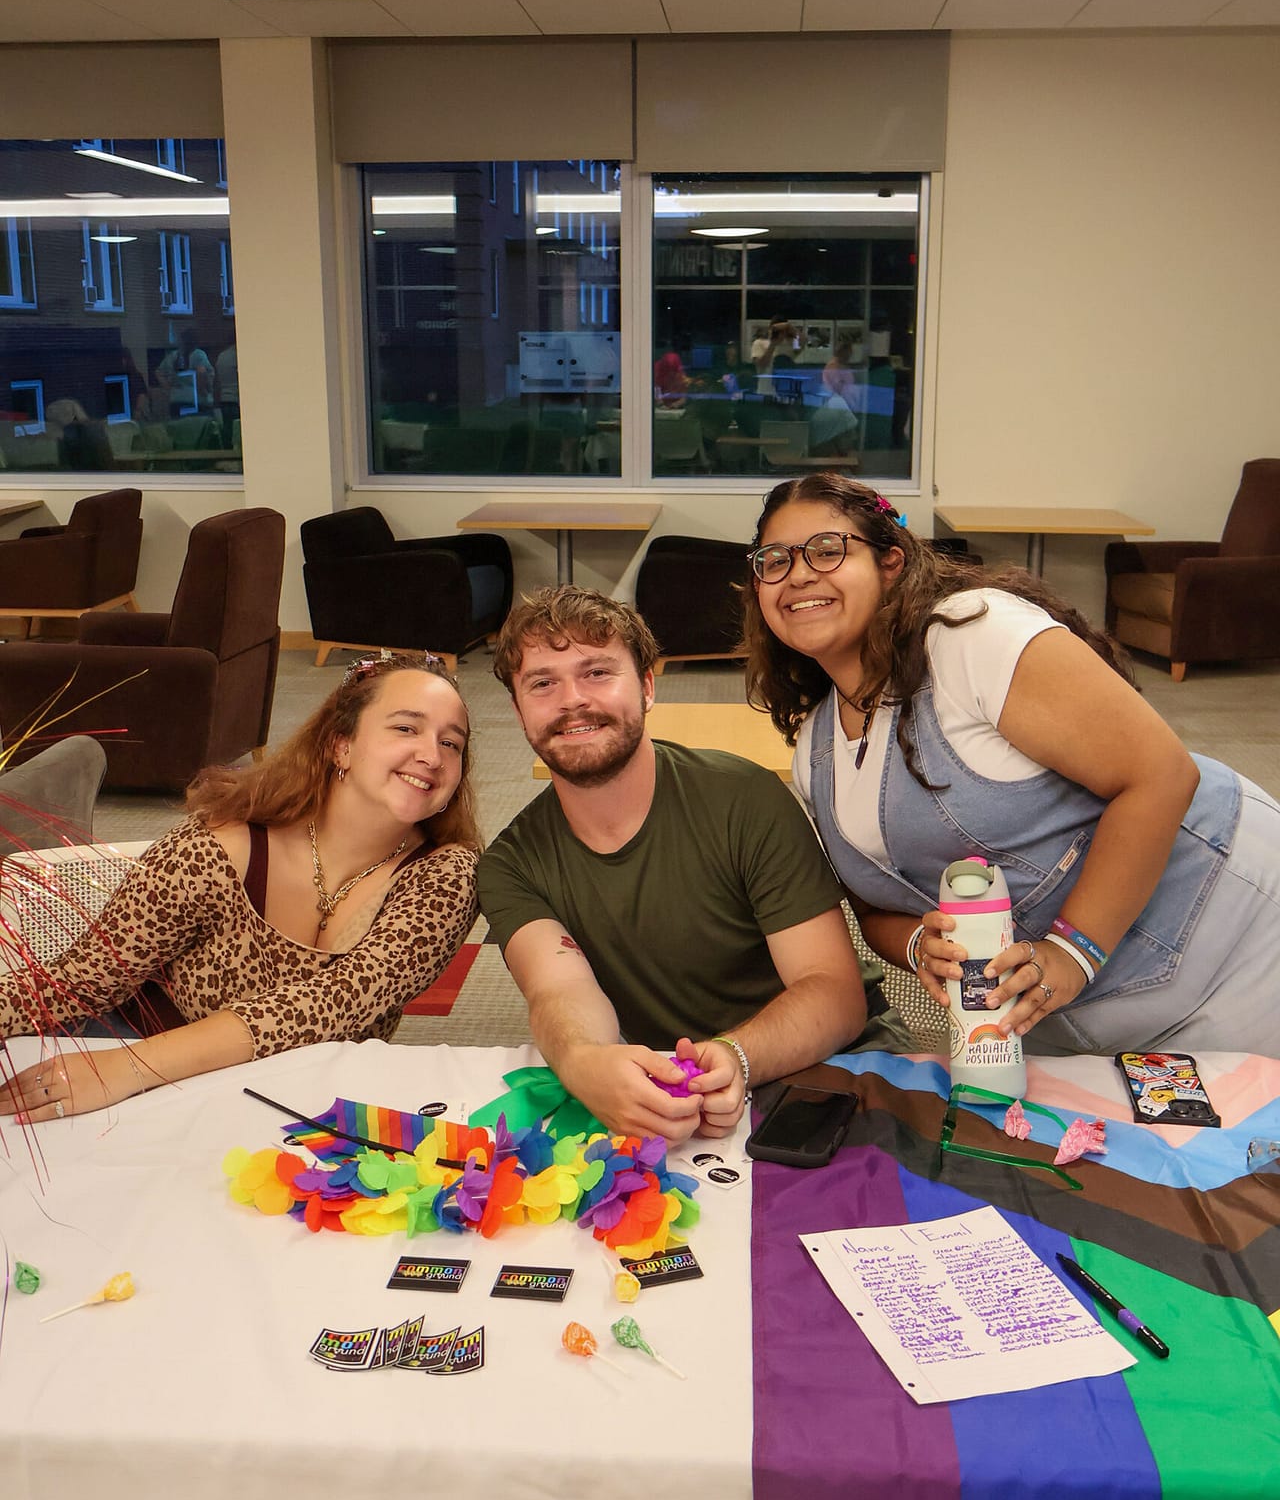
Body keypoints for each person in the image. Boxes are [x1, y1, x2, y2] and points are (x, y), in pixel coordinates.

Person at [742, 473, 1280, 1057]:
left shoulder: (970, 635)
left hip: (1226, 937)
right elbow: (874, 905)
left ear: (891, 562)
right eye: (772, 560)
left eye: (827, 550)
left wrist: (1073, 952)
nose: (796, 574)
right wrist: (921, 941)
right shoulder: (817, 750)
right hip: (1068, 1014)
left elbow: (1161, 775)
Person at [0, 654, 481, 1122]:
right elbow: (78, 983)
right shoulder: (216, 850)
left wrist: (123, 1071)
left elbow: (326, 1006)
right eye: (406, 728)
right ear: (342, 746)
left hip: (301, 1105)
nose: (431, 755)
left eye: (451, 744)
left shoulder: (446, 877)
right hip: (134, 1077)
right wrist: (118, 1070)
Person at [477, 587, 868, 1142]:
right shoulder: (510, 865)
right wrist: (585, 1061)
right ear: (519, 712)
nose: (572, 700)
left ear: (647, 686)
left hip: (820, 1075)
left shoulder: (744, 799)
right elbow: (559, 992)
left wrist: (738, 1054)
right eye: (543, 683)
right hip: (661, 1104)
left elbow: (834, 992)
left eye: (596, 673)